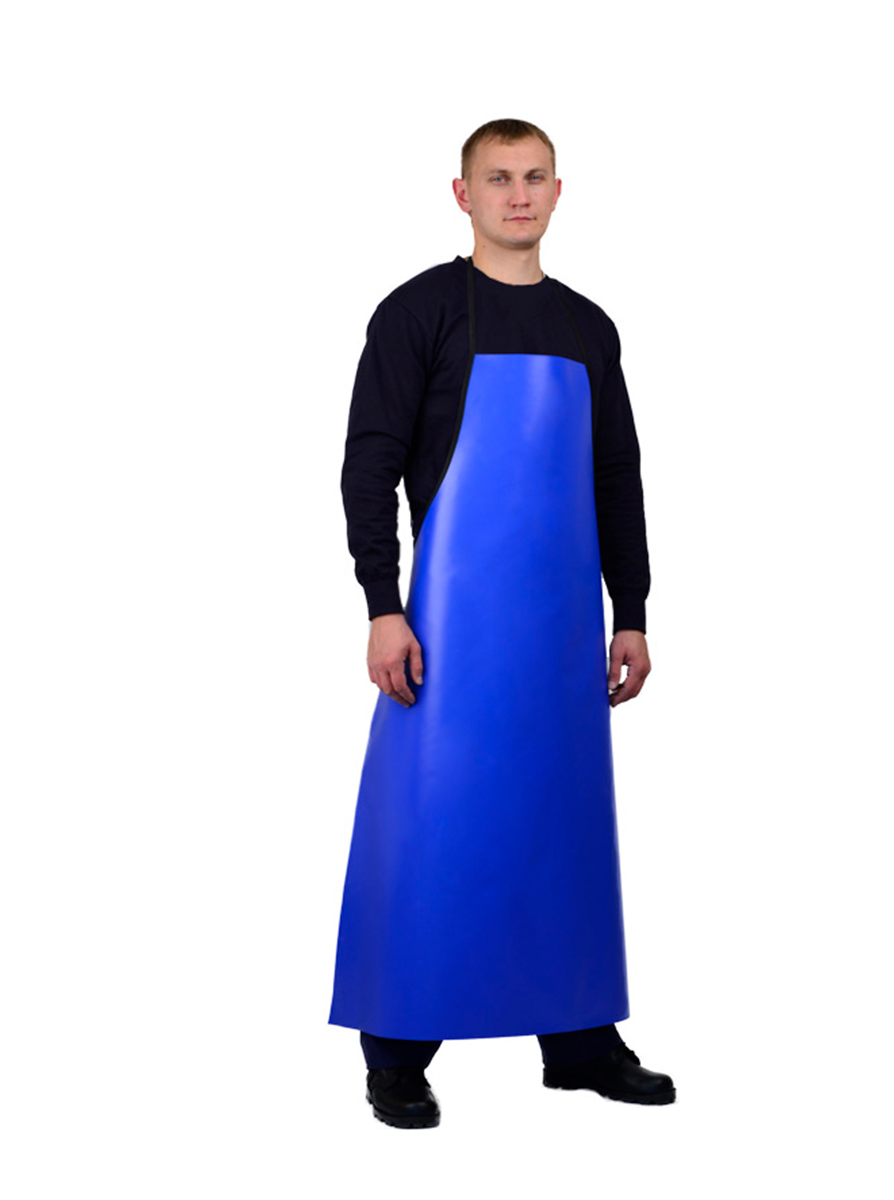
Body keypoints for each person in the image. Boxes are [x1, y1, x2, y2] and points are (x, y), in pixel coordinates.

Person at [328, 118, 674, 1128]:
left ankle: (580, 1041)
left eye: (534, 177)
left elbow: (616, 476)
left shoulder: (588, 327)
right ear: (463, 194)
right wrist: (383, 606)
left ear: (558, 192)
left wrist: (632, 609)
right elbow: (369, 464)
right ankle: (397, 1052)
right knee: (432, 827)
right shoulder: (419, 313)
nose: (517, 195)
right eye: (498, 178)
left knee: (562, 829)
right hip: (446, 633)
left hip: (560, 633)